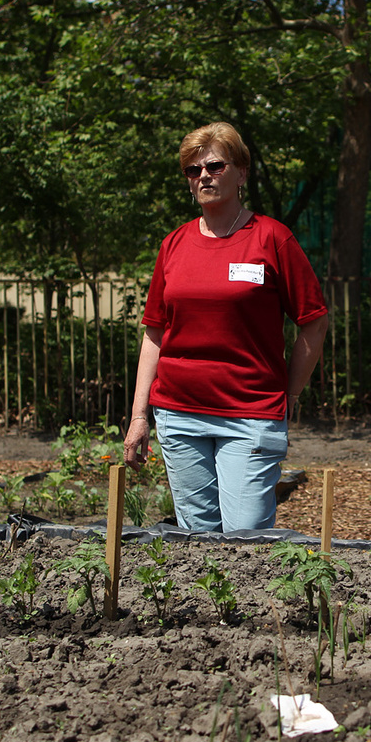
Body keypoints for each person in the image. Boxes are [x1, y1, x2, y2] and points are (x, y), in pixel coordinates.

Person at [122, 122, 329, 533]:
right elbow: (155, 333)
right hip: (179, 415)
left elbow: (314, 322)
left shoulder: (272, 238)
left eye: (215, 166)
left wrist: (290, 392)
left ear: (242, 173)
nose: (203, 176)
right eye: (192, 170)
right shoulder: (174, 245)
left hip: (250, 414)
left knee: (246, 538)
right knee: (198, 544)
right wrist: (139, 416)